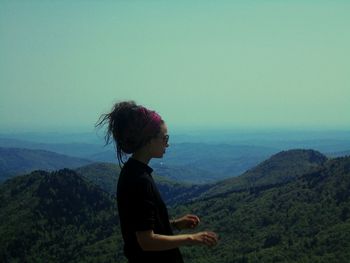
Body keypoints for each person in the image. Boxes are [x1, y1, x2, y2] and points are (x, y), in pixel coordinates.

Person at [96, 101, 218, 263]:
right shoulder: (139, 180)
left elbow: (141, 226)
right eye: (164, 138)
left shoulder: (133, 172)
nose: (168, 143)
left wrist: (175, 224)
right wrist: (192, 238)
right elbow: (146, 241)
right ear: (149, 140)